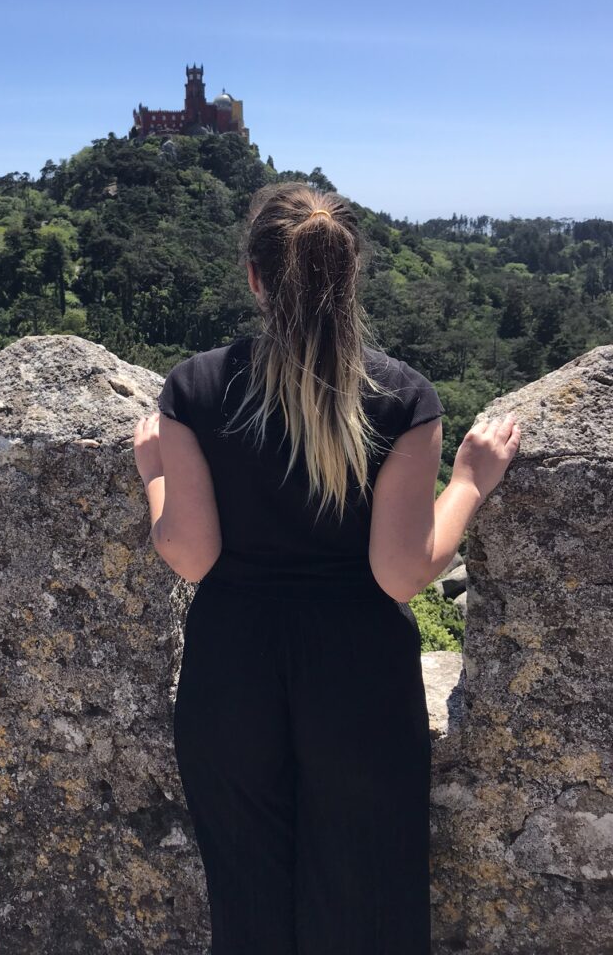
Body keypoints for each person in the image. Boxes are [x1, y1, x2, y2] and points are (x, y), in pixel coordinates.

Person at [132, 182, 521, 955]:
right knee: (368, 906)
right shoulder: (402, 398)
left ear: (254, 278)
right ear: (350, 278)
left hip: (232, 669)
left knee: (247, 903)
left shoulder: (195, 389)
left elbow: (189, 552)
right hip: (358, 678)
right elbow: (400, 572)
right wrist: (470, 483)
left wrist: (155, 470)